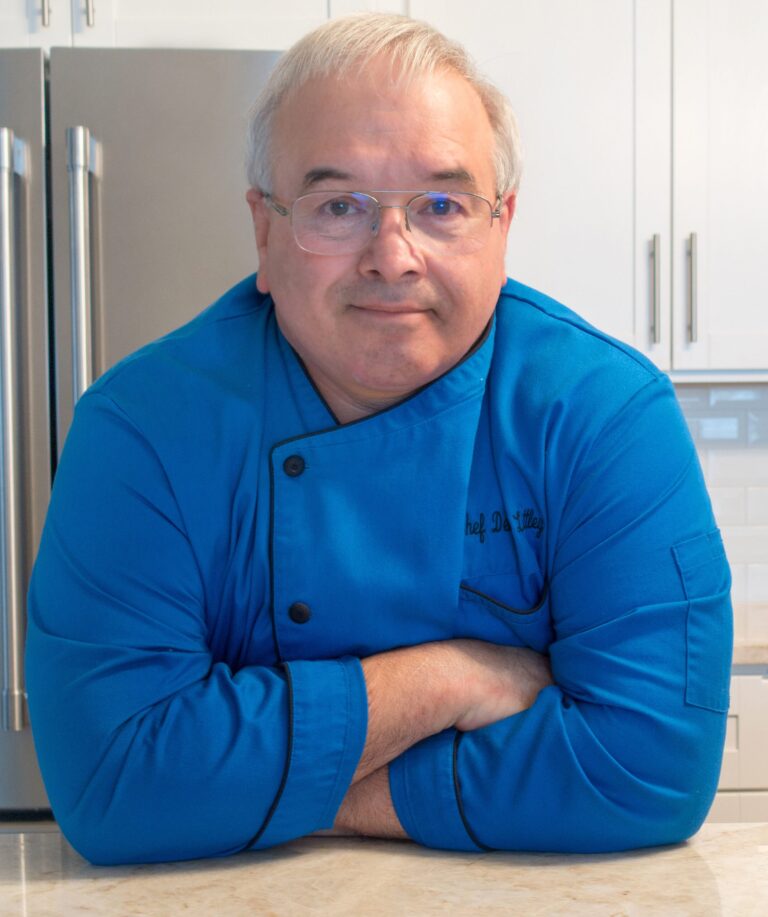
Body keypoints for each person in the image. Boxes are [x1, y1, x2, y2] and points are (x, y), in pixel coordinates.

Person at [26, 13, 732, 866]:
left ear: (502, 226)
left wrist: (278, 793)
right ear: (264, 230)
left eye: (442, 206)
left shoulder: (604, 415)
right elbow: (113, 781)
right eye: (339, 206)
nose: (392, 257)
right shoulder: (142, 430)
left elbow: (649, 768)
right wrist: (448, 679)